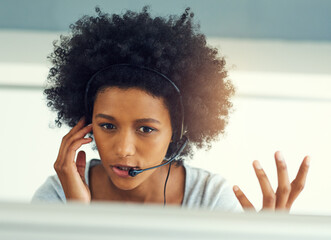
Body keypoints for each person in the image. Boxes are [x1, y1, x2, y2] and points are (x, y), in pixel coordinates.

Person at [31, 7, 310, 212]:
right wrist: (75, 217)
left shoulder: (211, 200)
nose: (124, 148)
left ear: (177, 133)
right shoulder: (59, 195)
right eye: (108, 125)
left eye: (146, 129)